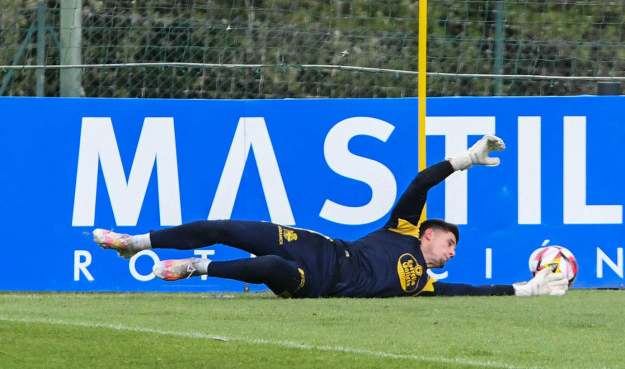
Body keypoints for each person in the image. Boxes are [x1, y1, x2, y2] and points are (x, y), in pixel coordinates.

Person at [93, 135, 568, 298]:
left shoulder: (424, 283)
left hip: (317, 282)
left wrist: (526, 289)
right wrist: (464, 160)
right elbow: (422, 182)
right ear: (429, 232)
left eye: (454, 250)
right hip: (319, 247)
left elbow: (472, 291)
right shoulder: (401, 227)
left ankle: (198, 267)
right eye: (450, 241)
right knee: (227, 226)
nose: (452, 251)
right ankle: (135, 243)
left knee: (272, 271)